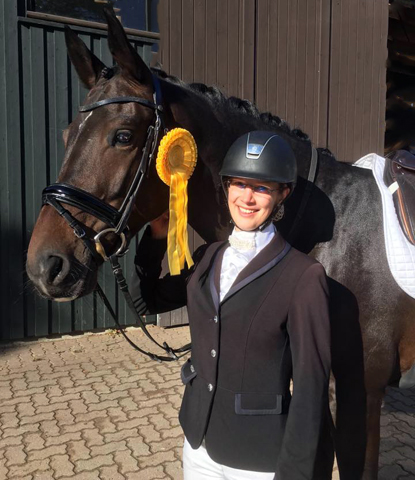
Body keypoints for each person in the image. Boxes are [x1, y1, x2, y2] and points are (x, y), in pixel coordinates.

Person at [131, 131, 332, 480]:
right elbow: (146, 301)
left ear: (283, 193)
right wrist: (155, 238)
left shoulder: (304, 276)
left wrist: (296, 472)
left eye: (262, 187)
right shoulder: (208, 256)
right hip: (198, 443)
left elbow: (311, 389)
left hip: (257, 459)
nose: (247, 197)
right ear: (226, 188)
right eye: (239, 183)